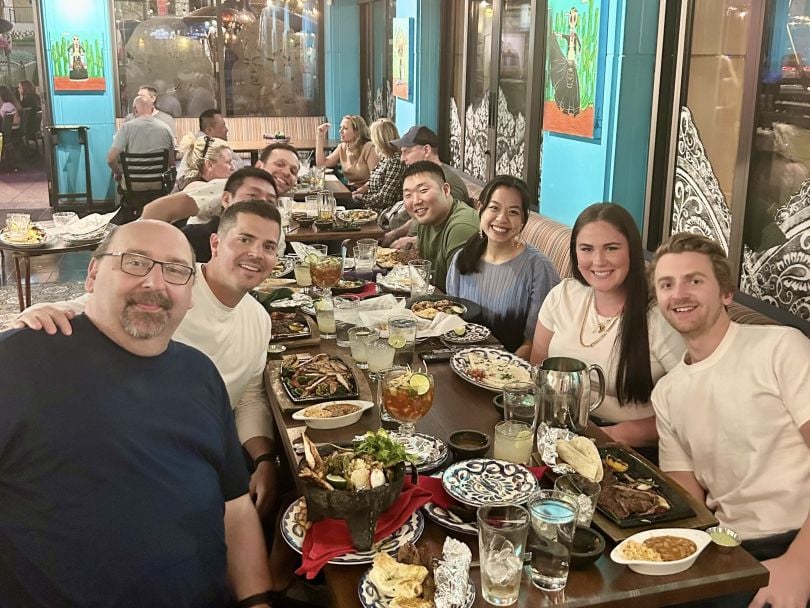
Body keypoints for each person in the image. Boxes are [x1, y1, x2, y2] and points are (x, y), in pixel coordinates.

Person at [0, 220, 272, 606]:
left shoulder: (199, 374)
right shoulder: (17, 361)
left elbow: (235, 506)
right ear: (93, 274)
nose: (155, 284)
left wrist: (257, 601)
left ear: (191, 293)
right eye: (135, 262)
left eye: (177, 271)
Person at [14, 202, 283, 524]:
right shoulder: (172, 284)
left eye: (268, 246)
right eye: (244, 239)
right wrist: (46, 311)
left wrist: (265, 459)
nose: (256, 253)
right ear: (215, 243)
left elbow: (250, 397)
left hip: (206, 457)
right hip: (132, 456)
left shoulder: (258, 318)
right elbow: (101, 303)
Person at [649, 232, 810, 608]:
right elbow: (689, 501)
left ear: (726, 293)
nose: (680, 293)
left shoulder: (780, 348)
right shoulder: (668, 393)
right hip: (729, 548)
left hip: (796, 538)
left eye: (695, 280)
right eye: (666, 284)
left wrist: (800, 564)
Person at [529, 203, 685, 448]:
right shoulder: (564, 295)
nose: (598, 261)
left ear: (632, 251)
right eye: (587, 249)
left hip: (625, 445)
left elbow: (687, 412)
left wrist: (611, 436)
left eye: (611, 248)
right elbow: (537, 368)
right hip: (556, 431)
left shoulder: (661, 318)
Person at [446, 175, 560, 358]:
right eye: (494, 208)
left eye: (513, 212)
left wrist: (497, 372)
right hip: (462, 361)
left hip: (512, 373)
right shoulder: (463, 258)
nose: (501, 218)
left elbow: (532, 344)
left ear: (523, 220)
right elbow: (452, 322)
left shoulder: (538, 268)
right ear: (480, 209)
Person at [142, 143, 298, 226]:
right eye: (279, 164)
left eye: (293, 171)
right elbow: (157, 210)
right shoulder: (228, 187)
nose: (286, 173)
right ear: (259, 166)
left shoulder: (271, 207)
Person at [396, 160, 478, 292]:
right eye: (408, 195)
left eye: (423, 190)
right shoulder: (426, 217)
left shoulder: (461, 227)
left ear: (445, 190)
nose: (416, 201)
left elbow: (460, 295)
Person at [181, 167, 281, 262]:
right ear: (226, 199)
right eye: (252, 196)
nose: (262, 205)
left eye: (270, 202)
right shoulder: (189, 240)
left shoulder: (270, 247)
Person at [107, 95, 175, 191]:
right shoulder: (165, 128)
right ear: (152, 109)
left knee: (121, 184)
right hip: (159, 185)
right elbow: (171, 163)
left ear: (135, 109)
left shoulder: (126, 128)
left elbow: (110, 159)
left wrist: (119, 173)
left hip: (133, 186)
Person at [392, 125, 470, 205]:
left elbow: (456, 215)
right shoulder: (426, 176)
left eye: (407, 152)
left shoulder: (446, 180)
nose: (402, 159)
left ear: (426, 150)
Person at [351, 118, 405, 212]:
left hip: (385, 215)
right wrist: (362, 189)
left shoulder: (395, 162)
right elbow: (376, 180)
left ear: (380, 140)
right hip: (372, 210)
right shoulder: (385, 158)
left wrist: (362, 198)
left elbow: (385, 198)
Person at [315, 115, 378, 189]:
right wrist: (319, 136)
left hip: (367, 192)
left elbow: (376, 179)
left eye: (345, 128)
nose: (340, 131)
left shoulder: (369, 148)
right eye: (340, 128)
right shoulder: (342, 147)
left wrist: (361, 190)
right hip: (350, 190)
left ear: (356, 132)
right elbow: (321, 164)